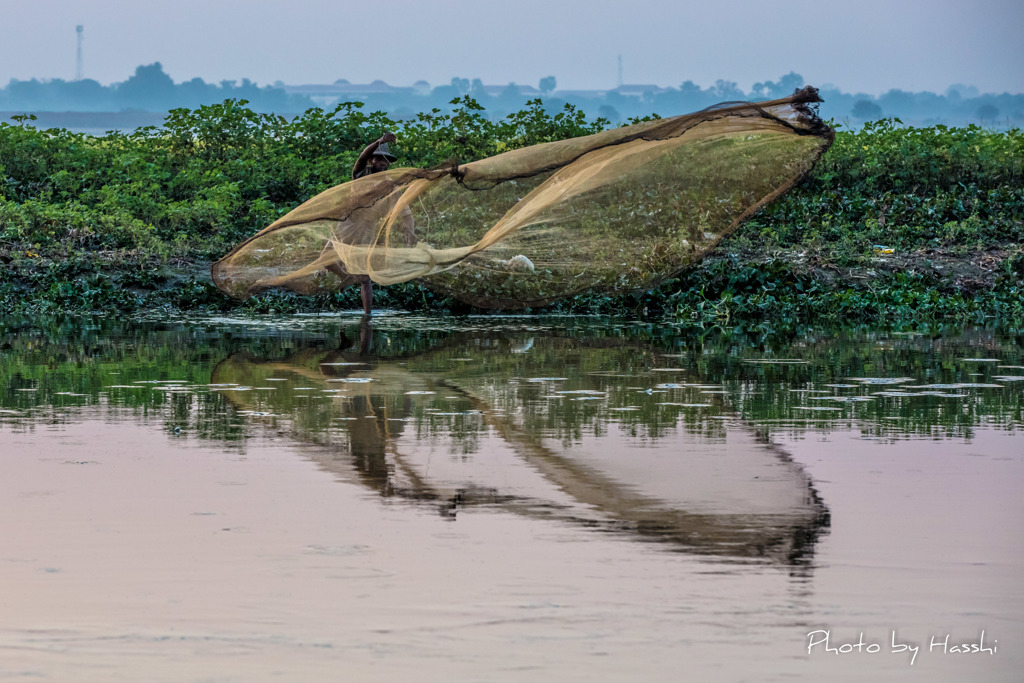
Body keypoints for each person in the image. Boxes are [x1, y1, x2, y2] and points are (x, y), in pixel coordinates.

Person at [325, 133, 400, 316]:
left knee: (365, 276)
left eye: (386, 160)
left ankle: (368, 315)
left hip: (367, 228)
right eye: (379, 159)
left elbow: (400, 208)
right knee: (325, 258)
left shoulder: (389, 184)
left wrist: (408, 228)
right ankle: (347, 277)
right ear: (372, 161)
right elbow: (361, 157)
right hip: (349, 223)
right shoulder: (361, 174)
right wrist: (378, 142)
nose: (383, 163)